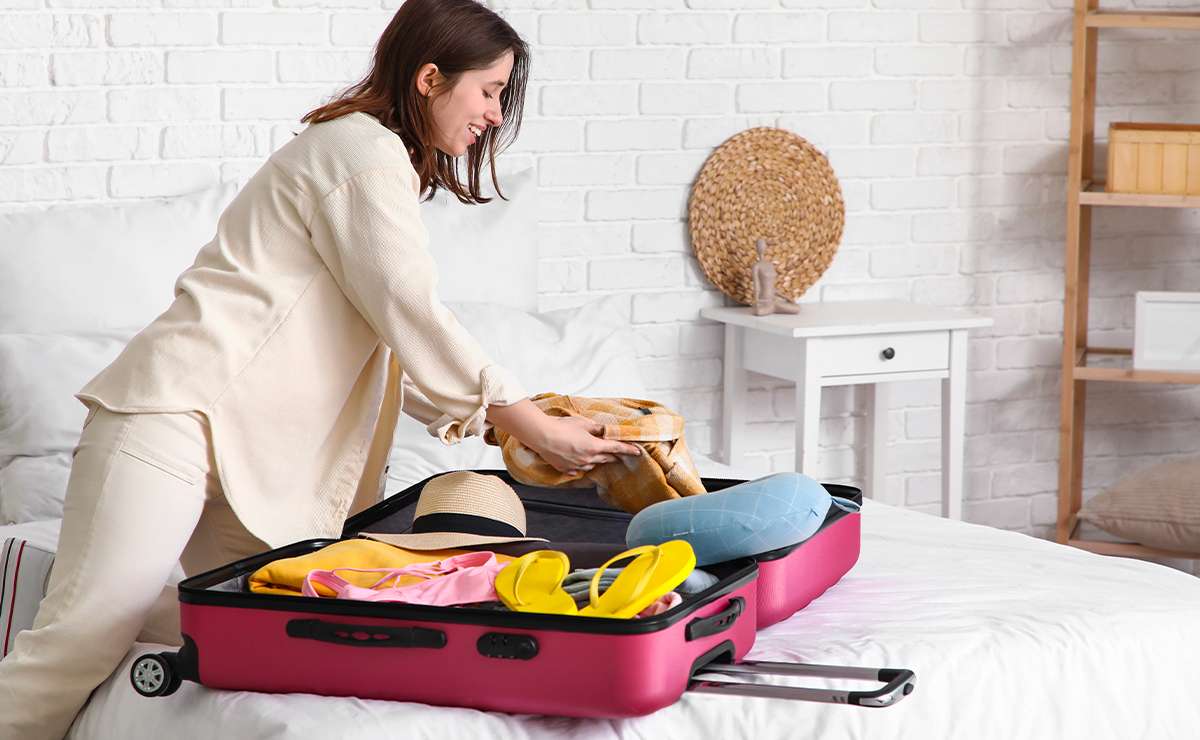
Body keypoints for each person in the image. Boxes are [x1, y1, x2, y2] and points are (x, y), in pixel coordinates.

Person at [0, 1, 641, 737]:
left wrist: (511, 429)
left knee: (270, 618)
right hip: (173, 415)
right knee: (80, 637)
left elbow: (387, 338)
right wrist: (523, 416)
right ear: (431, 78)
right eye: (490, 90)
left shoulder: (374, 163)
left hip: (252, 449)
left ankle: (117, 599)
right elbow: (411, 307)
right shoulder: (359, 151)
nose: (495, 116)